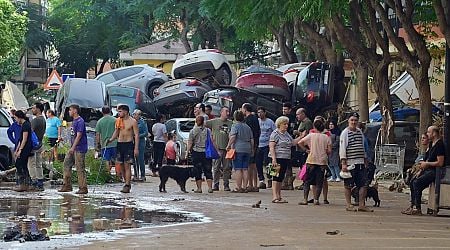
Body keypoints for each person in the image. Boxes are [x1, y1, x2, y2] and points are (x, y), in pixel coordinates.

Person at [403, 126, 445, 215]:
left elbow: (440, 162)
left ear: (434, 133)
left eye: (429, 132)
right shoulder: (431, 145)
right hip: (427, 169)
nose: (427, 134)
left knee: (417, 183)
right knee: (413, 181)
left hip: (435, 171)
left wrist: (427, 164)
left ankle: (417, 208)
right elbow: (426, 159)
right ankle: (413, 205)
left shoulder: (439, 145)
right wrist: (420, 170)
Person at [339, 112, 372, 212]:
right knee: (348, 185)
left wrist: (365, 159)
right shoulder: (345, 133)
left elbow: (362, 146)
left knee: (363, 184)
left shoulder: (359, 132)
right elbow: (343, 148)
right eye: (352, 120)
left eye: (355, 120)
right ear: (348, 121)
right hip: (350, 163)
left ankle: (361, 204)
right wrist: (344, 163)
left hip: (360, 163)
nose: (354, 122)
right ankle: (349, 204)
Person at [269, 116, 302, 203]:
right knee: (275, 176)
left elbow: (292, 143)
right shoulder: (275, 133)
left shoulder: (287, 134)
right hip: (277, 158)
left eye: (287, 124)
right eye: (284, 124)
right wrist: (274, 159)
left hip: (285, 158)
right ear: (279, 124)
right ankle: (275, 196)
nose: (286, 126)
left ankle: (279, 196)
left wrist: (301, 137)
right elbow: (271, 147)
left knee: (281, 177)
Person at [298, 119, 332, 205]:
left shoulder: (311, 135)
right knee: (319, 182)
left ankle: (305, 199)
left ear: (314, 127)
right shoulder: (327, 137)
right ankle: (316, 199)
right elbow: (329, 151)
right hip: (322, 161)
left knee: (307, 181)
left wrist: (306, 150)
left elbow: (300, 142)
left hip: (311, 160)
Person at [107, 104, 139, 193]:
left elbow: (136, 135)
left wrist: (136, 148)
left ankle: (127, 184)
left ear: (125, 111)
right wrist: (110, 140)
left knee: (127, 165)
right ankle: (126, 182)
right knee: (121, 165)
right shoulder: (118, 121)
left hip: (128, 144)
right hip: (120, 144)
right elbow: (116, 132)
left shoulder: (133, 122)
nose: (119, 113)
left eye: (120, 111)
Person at [58, 104, 89, 194]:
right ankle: (67, 185)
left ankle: (83, 187)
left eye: (70, 110)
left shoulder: (80, 121)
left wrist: (73, 147)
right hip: (73, 147)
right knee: (66, 164)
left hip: (79, 148)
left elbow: (79, 135)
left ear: (75, 111)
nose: (69, 112)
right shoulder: (74, 121)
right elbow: (65, 125)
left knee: (80, 167)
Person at [206, 106, 233, 191]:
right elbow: (202, 123)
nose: (228, 113)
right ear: (221, 112)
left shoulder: (231, 123)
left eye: (228, 112)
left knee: (226, 168)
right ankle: (216, 184)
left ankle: (226, 185)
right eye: (226, 111)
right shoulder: (214, 121)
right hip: (217, 148)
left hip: (227, 149)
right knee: (216, 167)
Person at [226, 110, 253, 193]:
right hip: (247, 149)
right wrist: (252, 149)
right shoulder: (247, 127)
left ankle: (238, 187)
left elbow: (233, 137)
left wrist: (228, 145)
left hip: (238, 149)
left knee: (238, 169)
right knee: (245, 169)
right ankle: (245, 187)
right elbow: (252, 139)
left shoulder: (235, 126)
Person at [187, 116, 214, 193]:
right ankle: (210, 188)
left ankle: (199, 188)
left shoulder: (192, 131)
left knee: (198, 171)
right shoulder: (208, 131)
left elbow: (190, 142)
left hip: (196, 152)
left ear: (196, 121)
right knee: (208, 170)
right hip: (206, 153)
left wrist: (187, 152)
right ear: (203, 122)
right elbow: (212, 141)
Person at [241, 103, 260, 192]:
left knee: (249, 165)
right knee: (254, 165)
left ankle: (250, 184)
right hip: (256, 143)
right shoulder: (255, 118)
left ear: (245, 109)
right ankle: (255, 185)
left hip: (249, 144)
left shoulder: (247, 120)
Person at [256, 106, 276, 189]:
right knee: (258, 163)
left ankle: (271, 178)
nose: (260, 114)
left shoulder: (270, 122)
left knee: (268, 162)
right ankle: (261, 179)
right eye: (258, 112)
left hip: (268, 145)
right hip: (259, 144)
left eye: (261, 112)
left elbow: (275, 132)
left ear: (265, 113)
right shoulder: (257, 121)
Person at [12, 110, 32, 192]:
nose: (15, 120)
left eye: (15, 118)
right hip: (22, 147)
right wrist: (17, 149)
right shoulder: (23, 125)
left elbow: (24, 139)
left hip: (26, 147)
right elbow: (20, 139)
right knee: (23, 165)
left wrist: (20, 150)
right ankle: (26, 184)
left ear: (19, 117)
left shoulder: (26, 125)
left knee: (19, 164)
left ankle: (23, 184)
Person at [28, 102, 46, 191]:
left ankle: (33, 181)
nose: (32, 110)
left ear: (38, 109)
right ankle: (40, 182)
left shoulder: (35, 120)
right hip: (40, 144)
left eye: (34, 108)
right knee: (39, 164)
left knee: (31, 164)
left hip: (33, 145)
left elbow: (29, 132)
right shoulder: (43, 120)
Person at [95, 106, 117, 176]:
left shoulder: (100, 121)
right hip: (115, 143)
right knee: (117, 160)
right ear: (110, 111)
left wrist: (98, 144)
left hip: (105, 144)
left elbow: (98, 134)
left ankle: (108, 175)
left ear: (102, 112)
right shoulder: (115, 120)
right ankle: (118, 175)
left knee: (106, 160)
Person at [132, 109, 148, 181]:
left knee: (141, 159)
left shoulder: (142, 122)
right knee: (134, 159)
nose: (135, 116)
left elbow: (146, 133)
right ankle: (135, 174)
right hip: (133, 141)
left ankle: (143, 175)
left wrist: (138, 135)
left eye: (137, 114)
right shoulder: (132, 122)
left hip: (141, 142)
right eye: (134, 114)